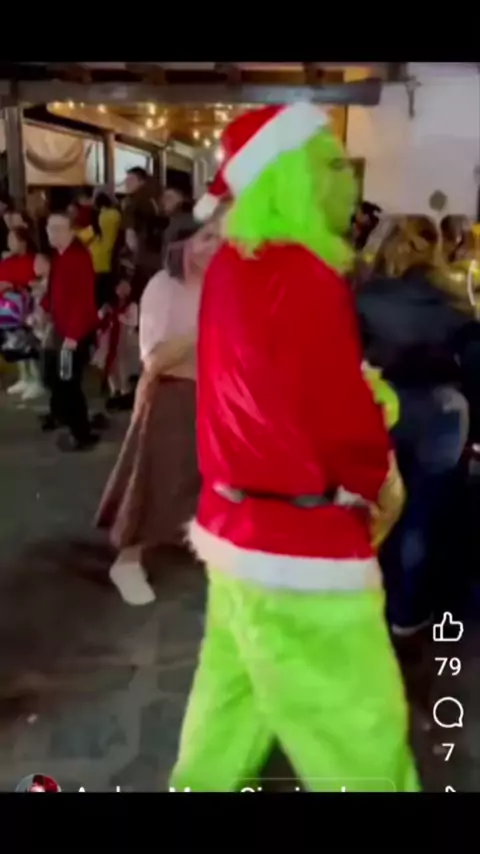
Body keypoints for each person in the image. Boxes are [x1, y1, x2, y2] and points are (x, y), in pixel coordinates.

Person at [169, 103, 416, 793]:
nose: (347, 180)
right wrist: (376, 473)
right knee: (361, 737)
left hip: (234, 527)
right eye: (330, 164)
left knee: (226, 718)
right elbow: (339, 419)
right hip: (298, 546)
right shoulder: (305, 274)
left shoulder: (231, 267)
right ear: (291, 176)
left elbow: (260, 389)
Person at [95, 213, 222, 606]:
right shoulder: (162, 287)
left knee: (202, 479)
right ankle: (127, 561)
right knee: (153, 480)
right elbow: (154, 359)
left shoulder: (218, 282)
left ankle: (196, 542)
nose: (216, 246)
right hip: (170, 394)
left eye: (219, 238)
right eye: (207, 238)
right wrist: (207, 326)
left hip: (213, 395)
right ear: (180, 245)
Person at [356, 215, 470, 635]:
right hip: (443, 410)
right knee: (423, 511)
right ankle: (405, 612)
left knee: (378, 507)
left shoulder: (363, 296)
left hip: (380, 406)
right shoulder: (455, 299)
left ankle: (369, 603)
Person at [40, 211, 99, 452]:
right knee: (54, 377)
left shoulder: (78, 258)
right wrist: (44, 309)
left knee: (69, 383)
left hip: (74, 332)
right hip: (61, 327)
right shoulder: (60, 255)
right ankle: (64, 419)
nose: (51, 233)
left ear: (70, 231)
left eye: (57, 228)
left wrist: (73, 336)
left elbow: (83, 300)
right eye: (49, 227)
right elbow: (55, 290)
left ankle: (81, 433)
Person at [92, 279, 139, 410]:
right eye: (120, 287)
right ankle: (114, 390)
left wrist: (119, 316)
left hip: (124, 340)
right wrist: (105, 313)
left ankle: (125, 392)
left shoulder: (132, 305)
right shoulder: (110, 305)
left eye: (125, 288)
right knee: (111, 365)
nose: (122, 291)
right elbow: (99, 317)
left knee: (124, 367)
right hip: (110, 340)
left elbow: (133, 322)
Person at [77, 192, 122, 308]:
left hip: (96, 261)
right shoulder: (117, 215)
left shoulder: (99, 216)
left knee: (97, 297)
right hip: (111, 259)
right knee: (108, 296)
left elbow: (82, 237)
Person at [122, 167, 159, 236]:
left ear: (142, 182)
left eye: (131, 180)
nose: (127, 183)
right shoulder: (130, 200)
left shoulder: (140, 203)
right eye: (126, 180)